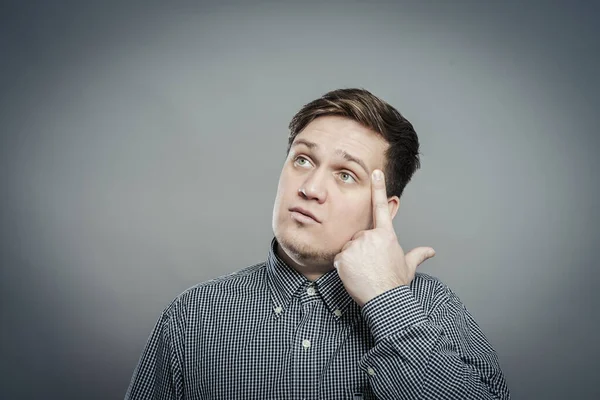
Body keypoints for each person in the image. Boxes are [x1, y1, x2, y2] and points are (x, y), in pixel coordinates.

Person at [125, 88, 510, 399]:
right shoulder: (193, 315)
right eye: (303, 160)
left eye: (345, 175)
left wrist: (389, 304)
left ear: (385, 209)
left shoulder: (432, 308)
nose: (309, 189)